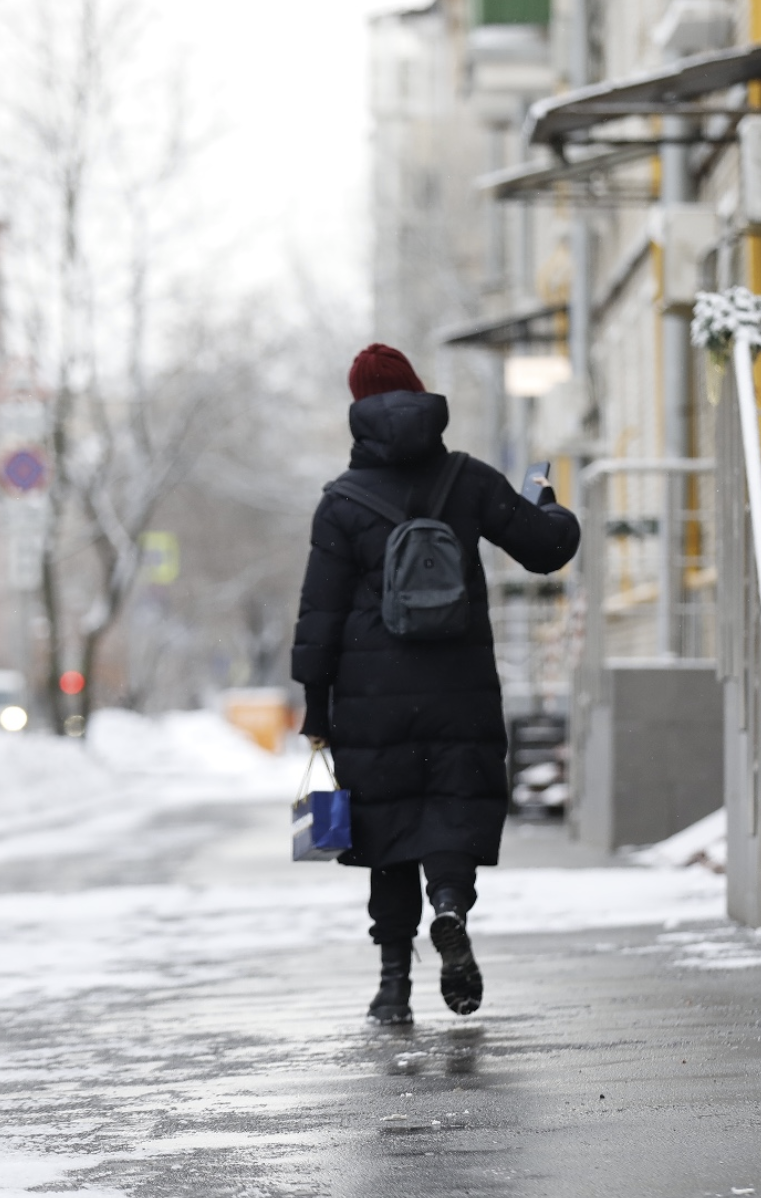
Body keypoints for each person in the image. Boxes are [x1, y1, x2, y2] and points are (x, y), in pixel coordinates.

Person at [292, 343, 580, 1025]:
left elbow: (320, 612)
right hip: (460, 686)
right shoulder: (469, 479)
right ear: (422, 397)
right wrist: (552, 505)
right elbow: (546, 549)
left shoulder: (340, 503)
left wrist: (315, 702)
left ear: (358, 411)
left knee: (386, 835)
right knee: (448, 809)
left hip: (369, 698)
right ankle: (449, 908)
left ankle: (393, 986)